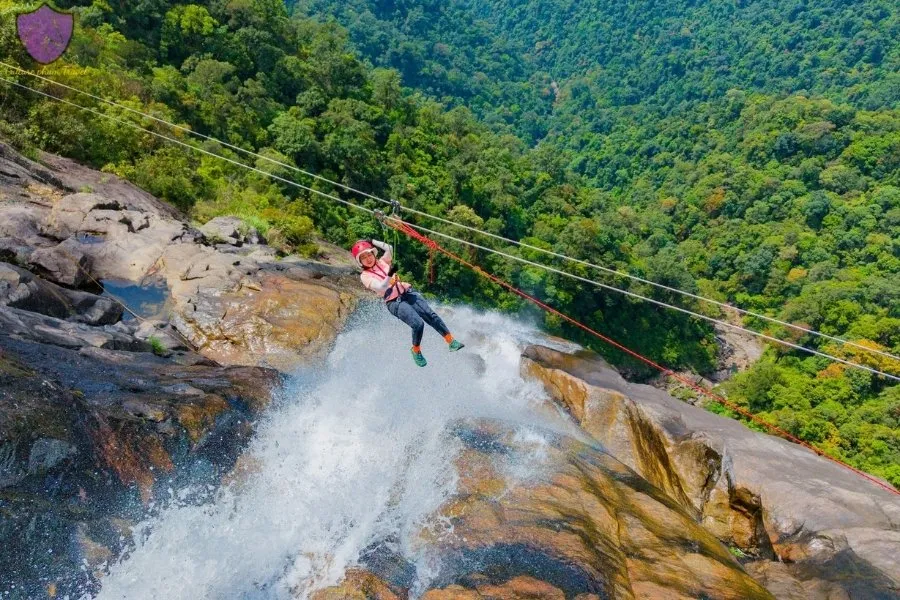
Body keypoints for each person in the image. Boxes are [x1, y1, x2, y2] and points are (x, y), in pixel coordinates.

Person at [351, 239, 464, 367]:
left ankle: (451, 341)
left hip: (407, 292)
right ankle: (415, 350)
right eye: (363, 257)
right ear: (360, 262)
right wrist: (390, 274)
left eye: (369, 254)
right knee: (418, 324)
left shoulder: (382, 261)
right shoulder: (365, 276)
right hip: (394, 302)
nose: (368, 258)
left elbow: (389, 248)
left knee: (430, 314)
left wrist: (371, 241)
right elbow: (381, 287)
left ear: (373, 253)